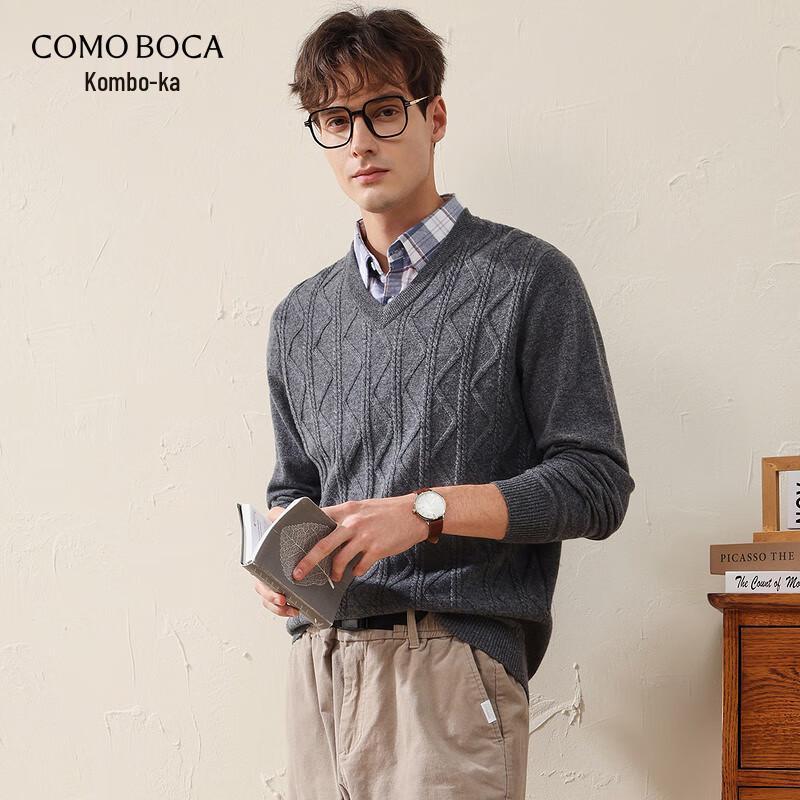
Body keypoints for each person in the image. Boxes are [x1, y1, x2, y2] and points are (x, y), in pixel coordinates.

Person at [254, 6, 635, 799]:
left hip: (449, 672)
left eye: (383, 111)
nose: (360, 140)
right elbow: (296, 482)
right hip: (318, 670)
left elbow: (596, 483)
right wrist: (282, 557)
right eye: (335, 120)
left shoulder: (528, 279)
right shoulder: (299, 316)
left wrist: (425, 512)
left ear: (435, 117)